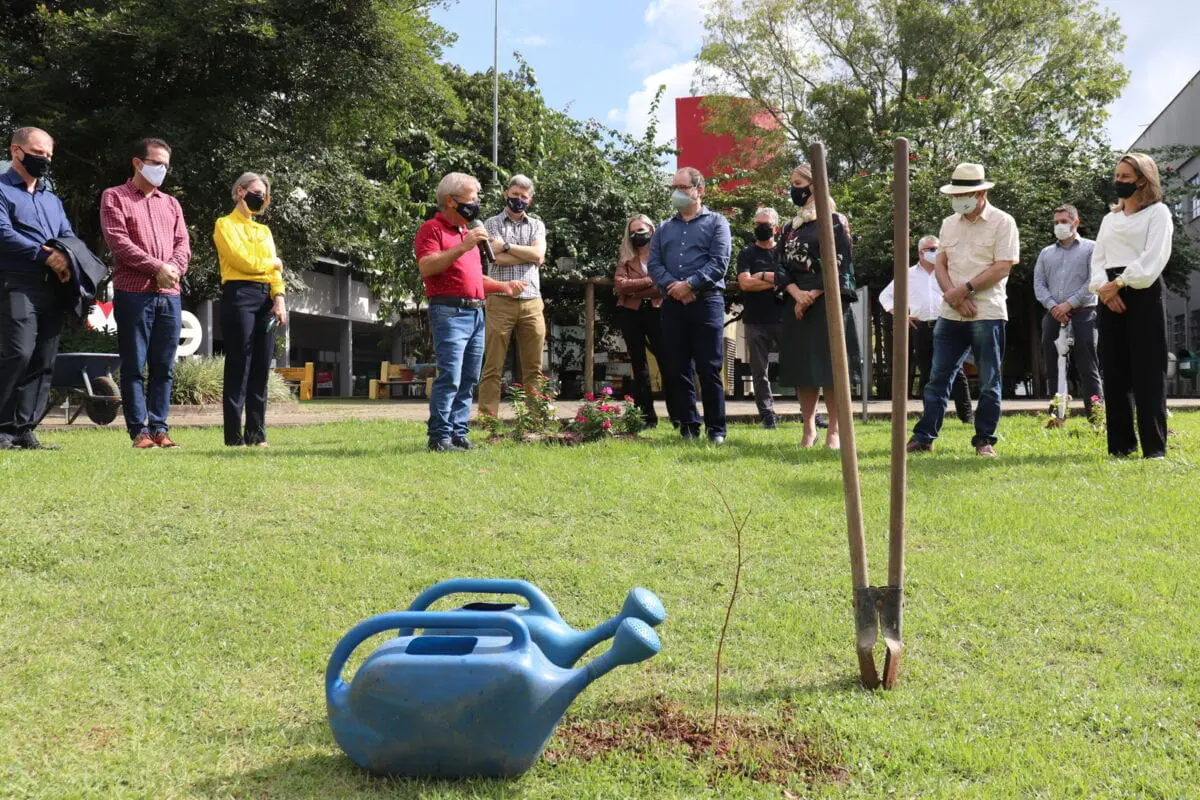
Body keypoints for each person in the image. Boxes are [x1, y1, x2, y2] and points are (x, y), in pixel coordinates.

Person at [907, 163, 1019, 457]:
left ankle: (985, 440)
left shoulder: (1003, 222)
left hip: (988, 312)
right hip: (951, 311)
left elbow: (1002, 266)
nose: (959, 199)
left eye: (966, 193)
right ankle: (924, 436)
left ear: (981, 192)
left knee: (988, 379)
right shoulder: (948, 223)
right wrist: (954, 296)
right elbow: (940, 263)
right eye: (956, 194)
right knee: (937, 377)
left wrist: (965, 289)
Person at [415, 172, 525, 452]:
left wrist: (503, 286)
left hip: (476, 312)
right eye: (472, 199)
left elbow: (474, 279)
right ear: (451, 201)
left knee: (468, 379)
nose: (476, 204)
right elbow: (427, 266)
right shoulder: (432, 229)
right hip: (449, 311)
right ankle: (439, 437)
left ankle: (458, 434)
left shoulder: (469, 233)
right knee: (450, 376)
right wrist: (464, 246)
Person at [100, 138, 191, 449]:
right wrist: (157, 268)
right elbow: (119, 243)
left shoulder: (171, 204)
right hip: (133, 292)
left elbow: (183, 245)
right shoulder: (115, 197)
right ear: (138, 163)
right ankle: (139, 431)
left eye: (166, 164)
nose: (162, 169)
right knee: (134, 364)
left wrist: (174, 269)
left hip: (171, 293)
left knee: (164, 366)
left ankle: (160, 428)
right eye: (156, 163)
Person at [1089, 153, 1174, 459]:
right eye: (1117, 175)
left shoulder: (1158, 213)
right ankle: (1121, 447)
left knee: (1148, 371)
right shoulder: (1109, 219)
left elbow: (1153, 258)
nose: (1119, 181)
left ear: (1142, 180)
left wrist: (1120, 284)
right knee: (1114, 371)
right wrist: (1105, 289)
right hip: (1108, 295)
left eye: (1125, 176)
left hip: (1142, 291)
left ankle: (1154, 448)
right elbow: (1097, 259)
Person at [0, 126, 74, 451]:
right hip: (16, 283)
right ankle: (3, 429)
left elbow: (67, 235)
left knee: (44, 359)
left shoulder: (52, 199)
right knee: (18, 353)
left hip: (53, 289)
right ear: (16, 151)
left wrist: (71, 258)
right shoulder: (2, 190)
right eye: (38, 152)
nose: (44, 159)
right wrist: (45, 255)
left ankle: (25, 429)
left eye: (48, 155)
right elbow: (2, 232)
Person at [647, 167, 732, 444]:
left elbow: (719, 263)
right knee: (677, 367)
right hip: (673, 303)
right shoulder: (663, 228)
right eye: (674, 187)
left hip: (707, 302)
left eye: (683, 187)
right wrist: (675, 287)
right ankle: (688, 426)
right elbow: (655, 265)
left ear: (699, 190)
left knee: (709, 367)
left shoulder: (717, 223)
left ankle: (716, 430)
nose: (677, 193)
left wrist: (691, 285)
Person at [775, 164, 858, 449]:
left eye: (797, 182)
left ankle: (834, 430)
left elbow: (842, 262)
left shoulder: (835, 220)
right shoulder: (789, 227)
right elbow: (780, 265)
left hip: (828, 300)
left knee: (830, 367)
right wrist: (797, 294)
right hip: (795, 301)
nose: (793, 189)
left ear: (814, 186)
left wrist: (813, 293)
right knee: (803, 369)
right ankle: (808, 429)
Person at [213, 172, 287, 447]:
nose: (261, 198)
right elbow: (239, 259)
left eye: (264, 195)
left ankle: (257, 435)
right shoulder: (224, 224)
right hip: (238, 294)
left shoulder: (264, 231)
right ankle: (234, 438)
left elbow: (275, 272)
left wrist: (279, 297)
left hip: (266, 297)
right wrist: (272, 263)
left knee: (260, 367)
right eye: (256, 192)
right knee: (239, 365)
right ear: (241, 191)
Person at [879, 235, 973, 422]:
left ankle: (967, 416)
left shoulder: (949, 272)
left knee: (956, 370)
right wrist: (900, 314)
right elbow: (885, 296)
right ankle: (930, 416)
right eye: (931, 249)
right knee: (927, 371)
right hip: (921, 327)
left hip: (946, 324)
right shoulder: (908, 274)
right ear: (921, 252)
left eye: (937, 248)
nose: (935, 252)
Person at [478, 175, 547, 415]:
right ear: (506, 194)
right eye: (515, 194)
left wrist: (506, 246)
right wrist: (526, 254)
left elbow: (538, 256)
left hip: (531, 301)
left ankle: (535, 417)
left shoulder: (537, 225)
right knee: (493, 365)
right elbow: (493, 258)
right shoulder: (491, 223)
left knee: (534, 367)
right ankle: (487, 418)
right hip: (499, 300)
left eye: (524, 196)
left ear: (531, 199)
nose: (519, 200)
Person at [1033, 204, 1101, 416]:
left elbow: (1094, 280)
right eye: (1056, 222)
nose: (1059, 226)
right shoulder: (1046, 253)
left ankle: (1096, 415)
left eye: (1064, 221)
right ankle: (1056, 414)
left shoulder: (1091, 248)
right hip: (1053, 315)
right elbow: (1039, 284)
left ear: (1076, 223)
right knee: (1052, 366)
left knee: (1088, 367)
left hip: (1084, 314)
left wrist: (1069, 304)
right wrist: (1054, 307)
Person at [612, 214, 675, 427]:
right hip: (631, 313)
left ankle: (677, 415)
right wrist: (649, 280)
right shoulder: (626, 258)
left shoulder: (664, 255)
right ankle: (646, 417)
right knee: (639, 366)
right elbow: (620, 285)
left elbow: (664, 285)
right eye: (633, 231)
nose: (638, 234)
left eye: (642, 230)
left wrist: (637, 289)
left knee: (668, 362)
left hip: (659, 312)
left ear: (651, 230)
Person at [736, 207, 784, 429]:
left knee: (797, 365)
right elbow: (745, 283)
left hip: (784, 317)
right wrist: (777, 281)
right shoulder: (746, 254)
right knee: (759, 371)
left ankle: (810, 413)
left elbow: (792, 277)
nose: (760, 228)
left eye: (764, 224)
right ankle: (767, 413)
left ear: (775, 227)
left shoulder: (783, 252)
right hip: (755, 320)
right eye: (757, 224)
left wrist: (762, 276)